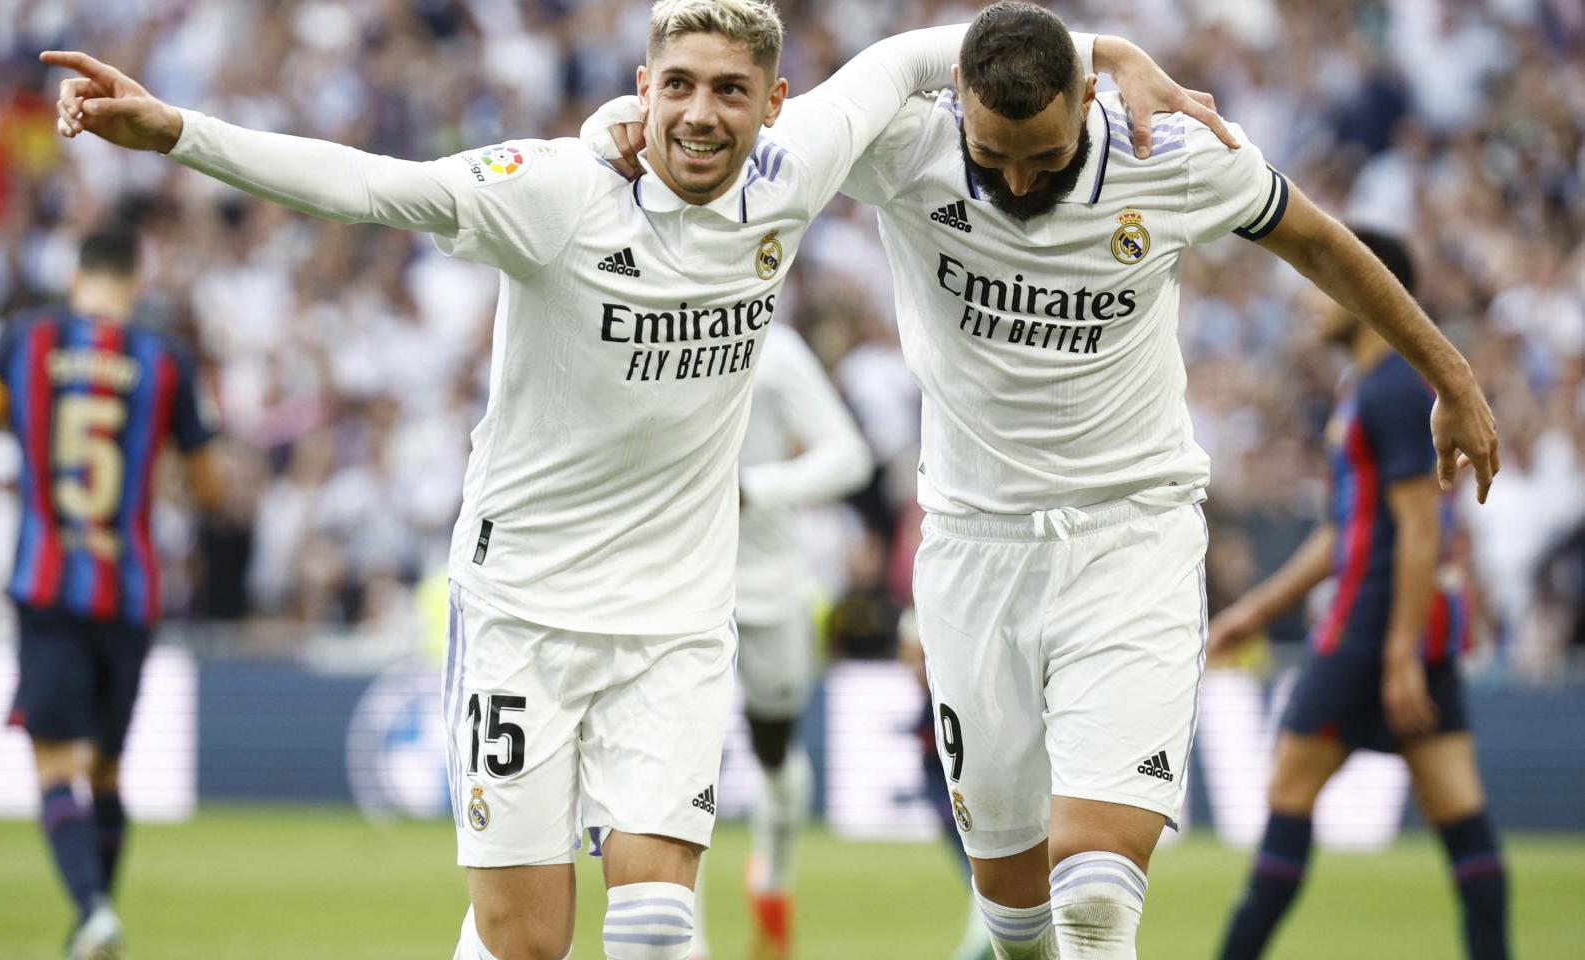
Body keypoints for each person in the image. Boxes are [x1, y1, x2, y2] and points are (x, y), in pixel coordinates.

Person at [42, 2, 1216, 955]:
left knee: (654, 925)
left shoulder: (794, 172)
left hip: (673, 628)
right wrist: (180, 133)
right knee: (524, 942)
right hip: (521, 614)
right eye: (676, 85)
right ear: (641, 89)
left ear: (773, 106)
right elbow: (367, 183)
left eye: (727, 90)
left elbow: (930, 51)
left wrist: (1108, 52)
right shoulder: (551, 191)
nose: (700, 113)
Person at [575, 2, 1507, 956]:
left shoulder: (1170, 152)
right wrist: (616, 121)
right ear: (957, 113)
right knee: (1016, 918)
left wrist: (1451, 374)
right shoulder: (903, 147)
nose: (1018, 179)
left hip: (1131, 538)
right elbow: (740, 126)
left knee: (1097, 898)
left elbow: (1319, 240)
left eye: (1046, 158)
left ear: (1088, 101)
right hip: (974, 554)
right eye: (994, 157)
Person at [1208, 230, 1508, 960]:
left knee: (1287, 794)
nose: (1313, 299)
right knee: (1460, 818)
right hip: (1409, 628)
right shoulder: (1372, 389)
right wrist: (1256, 611)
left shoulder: (1396, 389)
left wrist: (1397, 652)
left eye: (1325, 281)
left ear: (1368, 287)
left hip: (1370, 629)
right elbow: (1350, 528)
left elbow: (1419, 527)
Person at [0, 226, 223, 960]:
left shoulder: (22, 341)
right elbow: (213, 488)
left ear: (76, 274)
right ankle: (91, 924)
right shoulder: (167, 360)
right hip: (129, 593)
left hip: (47, 584)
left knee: (56, 766)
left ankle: (93, 911)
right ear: (137, 279)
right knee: (104, 771)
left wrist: (5, 429)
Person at [690, 323, 871, 960]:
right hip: (678, 583)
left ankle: (773, 876)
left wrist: (753, 488)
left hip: (768, 585)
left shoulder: (773, 344)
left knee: (775, 754)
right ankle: (686, 941)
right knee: (684, 765)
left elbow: (849, 455)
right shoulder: (638, 313)